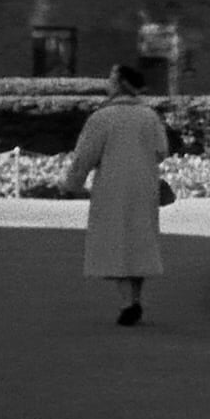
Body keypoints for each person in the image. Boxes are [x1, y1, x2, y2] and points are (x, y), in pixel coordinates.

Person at [62, 64, 170, 326]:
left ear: (120, 84)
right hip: (144, 185)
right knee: (139, 241)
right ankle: (136, 297)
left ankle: (127, 301)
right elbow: (161, 150)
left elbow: (84, 157)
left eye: (111, 79)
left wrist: (72, 184)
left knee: (115, 242)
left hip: (111, 186)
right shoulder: (149, 116)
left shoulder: (102, 117)